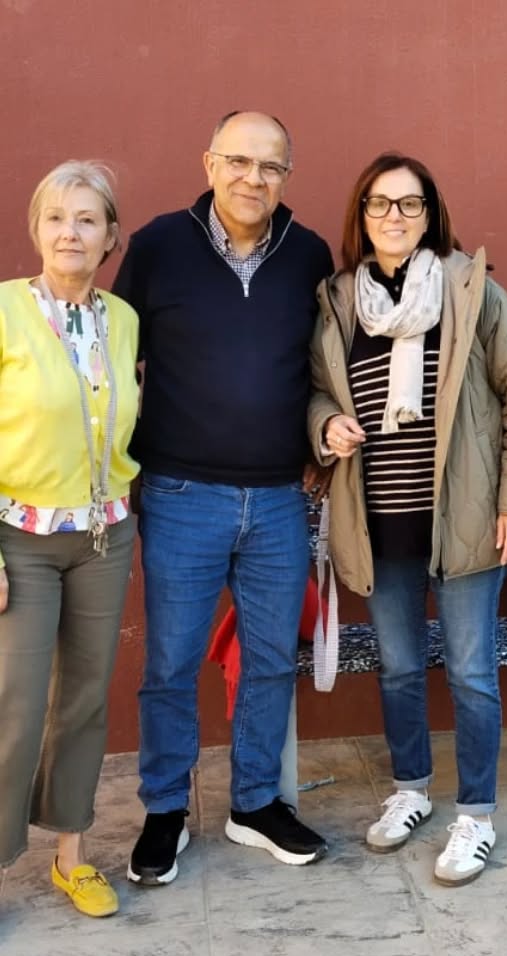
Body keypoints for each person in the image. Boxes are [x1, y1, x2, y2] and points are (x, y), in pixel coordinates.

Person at [309, 152, 507, 885]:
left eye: (409, 205)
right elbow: (315, 391)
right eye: (380, 205)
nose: (394, 217)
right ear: (361, 216)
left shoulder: (473, 293)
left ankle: (475, 814)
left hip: (466, 520)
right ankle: (411, 790)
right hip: (379, 520)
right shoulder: (336, 302)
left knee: (473, 673)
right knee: (400, 669)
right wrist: (326, 427)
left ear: (430, 215)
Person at [113, 111, 332, 886]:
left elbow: (321, 366)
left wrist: (317, 443)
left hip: (277, 498)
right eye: (238, 161)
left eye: (271, 167)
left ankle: (254, 803)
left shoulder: (309, 255)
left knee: (271, 661)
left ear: (287, 177)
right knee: (171, 662)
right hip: (180, 493)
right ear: (208, 163)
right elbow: (114, 359)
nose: (253, 179)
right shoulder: (157, 246)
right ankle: (166, 810)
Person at [0, 161, 139, 917]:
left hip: (103, 538)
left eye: (87, 219)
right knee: (14, 705)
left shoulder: (122, 319)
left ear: (110, 235)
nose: (70, 232)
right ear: (37, 229)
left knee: (84, 701)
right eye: (57, 217)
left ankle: (71, 855)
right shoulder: (4, 312)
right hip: (18, 539)